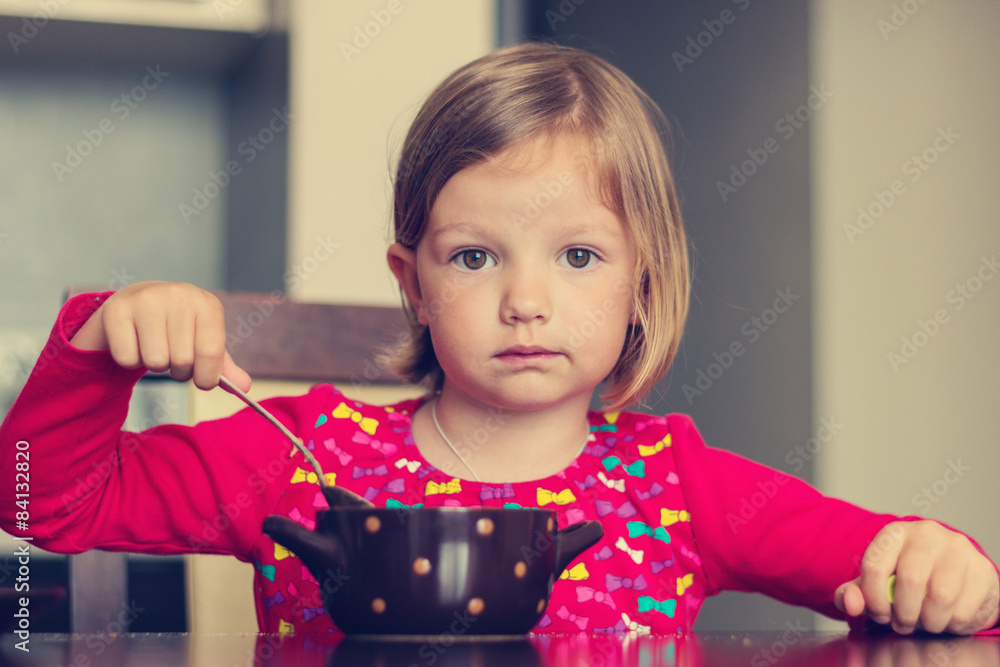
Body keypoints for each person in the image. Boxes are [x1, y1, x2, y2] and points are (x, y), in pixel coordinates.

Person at [1, 42, 997, 637]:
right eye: (475, 258)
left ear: (642, 285)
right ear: (414, 287)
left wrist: (942, 563)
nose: (526, 300)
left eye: (577, 256)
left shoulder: (677, 479)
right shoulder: (300, 453)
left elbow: (894, 565)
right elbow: (39, 500)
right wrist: (100, 347)